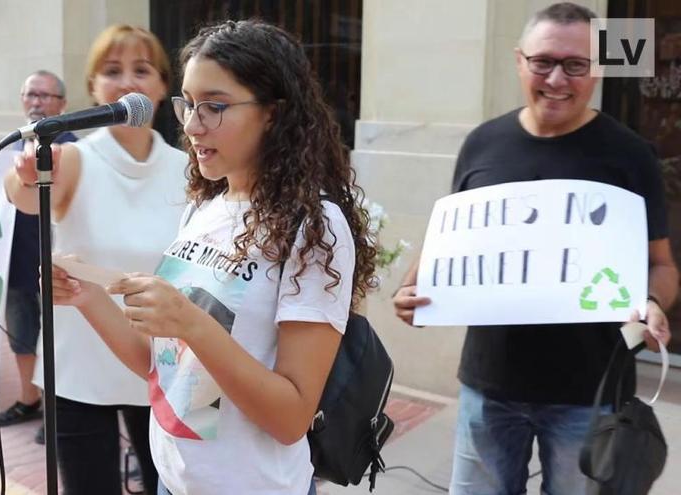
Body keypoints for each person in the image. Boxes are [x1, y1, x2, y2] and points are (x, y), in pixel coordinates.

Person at [49, 20, 378, 494]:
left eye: (215, 107)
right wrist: (87, 297)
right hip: (173, 479)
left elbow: (291, 417)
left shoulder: (314, 225)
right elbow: (161, 366)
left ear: (273, 112)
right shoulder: (205, 208)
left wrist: (191, 322)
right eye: (187, 104)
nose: (192, 125)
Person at [392, 3, 679, 494]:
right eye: (543, 61)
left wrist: (652, 303)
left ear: (598, 70)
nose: (557, 79)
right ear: (519, 60)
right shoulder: (483, 142)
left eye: (576, 65)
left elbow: (660, 264)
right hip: (489, 385)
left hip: (589, 393)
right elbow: (454, 234)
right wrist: (415, 286)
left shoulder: (630, 155)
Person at [5, 25, 182, 494]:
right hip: (79, 369)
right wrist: (25, 174)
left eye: (141, 70)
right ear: (93, 89)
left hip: (162, 369)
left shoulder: (187, 170)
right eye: (112, 71)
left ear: (163, 87)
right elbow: (23, 195)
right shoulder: (73, 159)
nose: (127, 81)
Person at [0, 70, 77, 440]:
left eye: (45, 96)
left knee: (57, 342)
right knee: (22, 337)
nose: (36, 102)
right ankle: (30, 399)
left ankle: (58, 412)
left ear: (62, 104)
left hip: (57, 265)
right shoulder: (12, 145)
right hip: (14, 262)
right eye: (30, 95)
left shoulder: (76, 149)